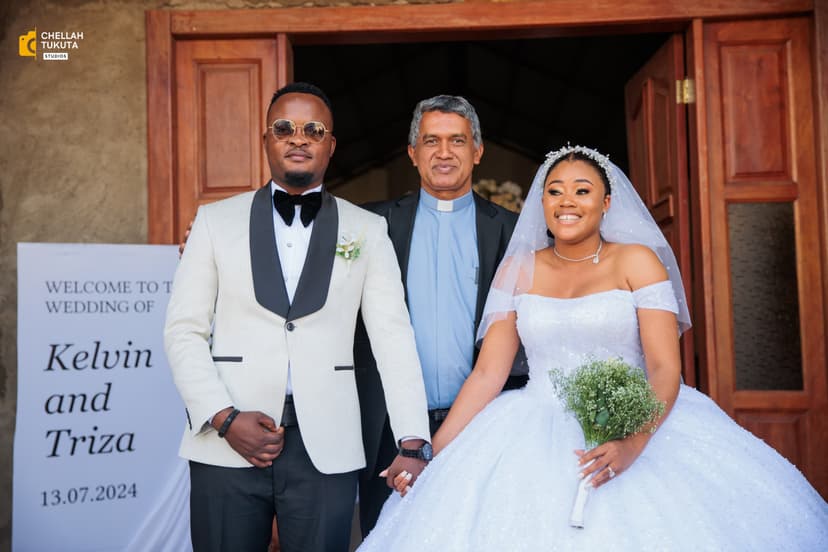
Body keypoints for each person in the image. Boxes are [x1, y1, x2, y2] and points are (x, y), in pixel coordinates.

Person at [358, 145, 828, 550]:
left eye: (581, 190)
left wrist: (632, 443)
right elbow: (487, 375)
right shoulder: (519, 269)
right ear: (541, 201)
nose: (567, 201)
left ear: (605, 202)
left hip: (635, 424)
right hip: (528, 427)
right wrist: (430, 456)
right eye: (555, 190)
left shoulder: (637, 262)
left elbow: (666, 370)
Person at [164, 82, 431, 552]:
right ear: (266, 140)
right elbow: (183, 332)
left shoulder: (367, 230)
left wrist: (412, 441)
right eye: (284, 127)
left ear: (330, 146)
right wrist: (225, 418)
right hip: (225, 439)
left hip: (326, 443)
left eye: (314, 129)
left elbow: (392, 337)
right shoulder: (213, 222)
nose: (299, 137)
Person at [354, 95, 528, 535]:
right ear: (413, 154)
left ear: (478, 150)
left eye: (457, 140)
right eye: (431, 141)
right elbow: (300, 247)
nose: (445, 152)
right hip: (386, 430)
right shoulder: (369, 225)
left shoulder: (514, 232)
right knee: (390, 537)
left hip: (483, 424)